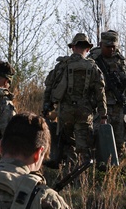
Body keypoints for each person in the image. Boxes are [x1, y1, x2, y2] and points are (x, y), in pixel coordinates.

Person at [42, 33, 106, 168]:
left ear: (73, 47)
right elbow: (100, 92)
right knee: (84, 147)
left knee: (67, 145)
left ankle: (69, 176)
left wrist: (46, 108)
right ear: (88, 49)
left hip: (65, 112)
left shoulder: (62, 65)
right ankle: (83, 179)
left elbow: (49, 86)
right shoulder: (93, 67)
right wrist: (103, 114)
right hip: (85, 112)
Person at [90, 30, 126, 156]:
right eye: (108, 47)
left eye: (114, 46)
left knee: (120, 143)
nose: (111, 49)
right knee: (99, 142)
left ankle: (117, 171)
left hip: (119, 109)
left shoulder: (121, 63)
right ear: (101, 44)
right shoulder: (93, 62)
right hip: (100, 110)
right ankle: (100, 171)